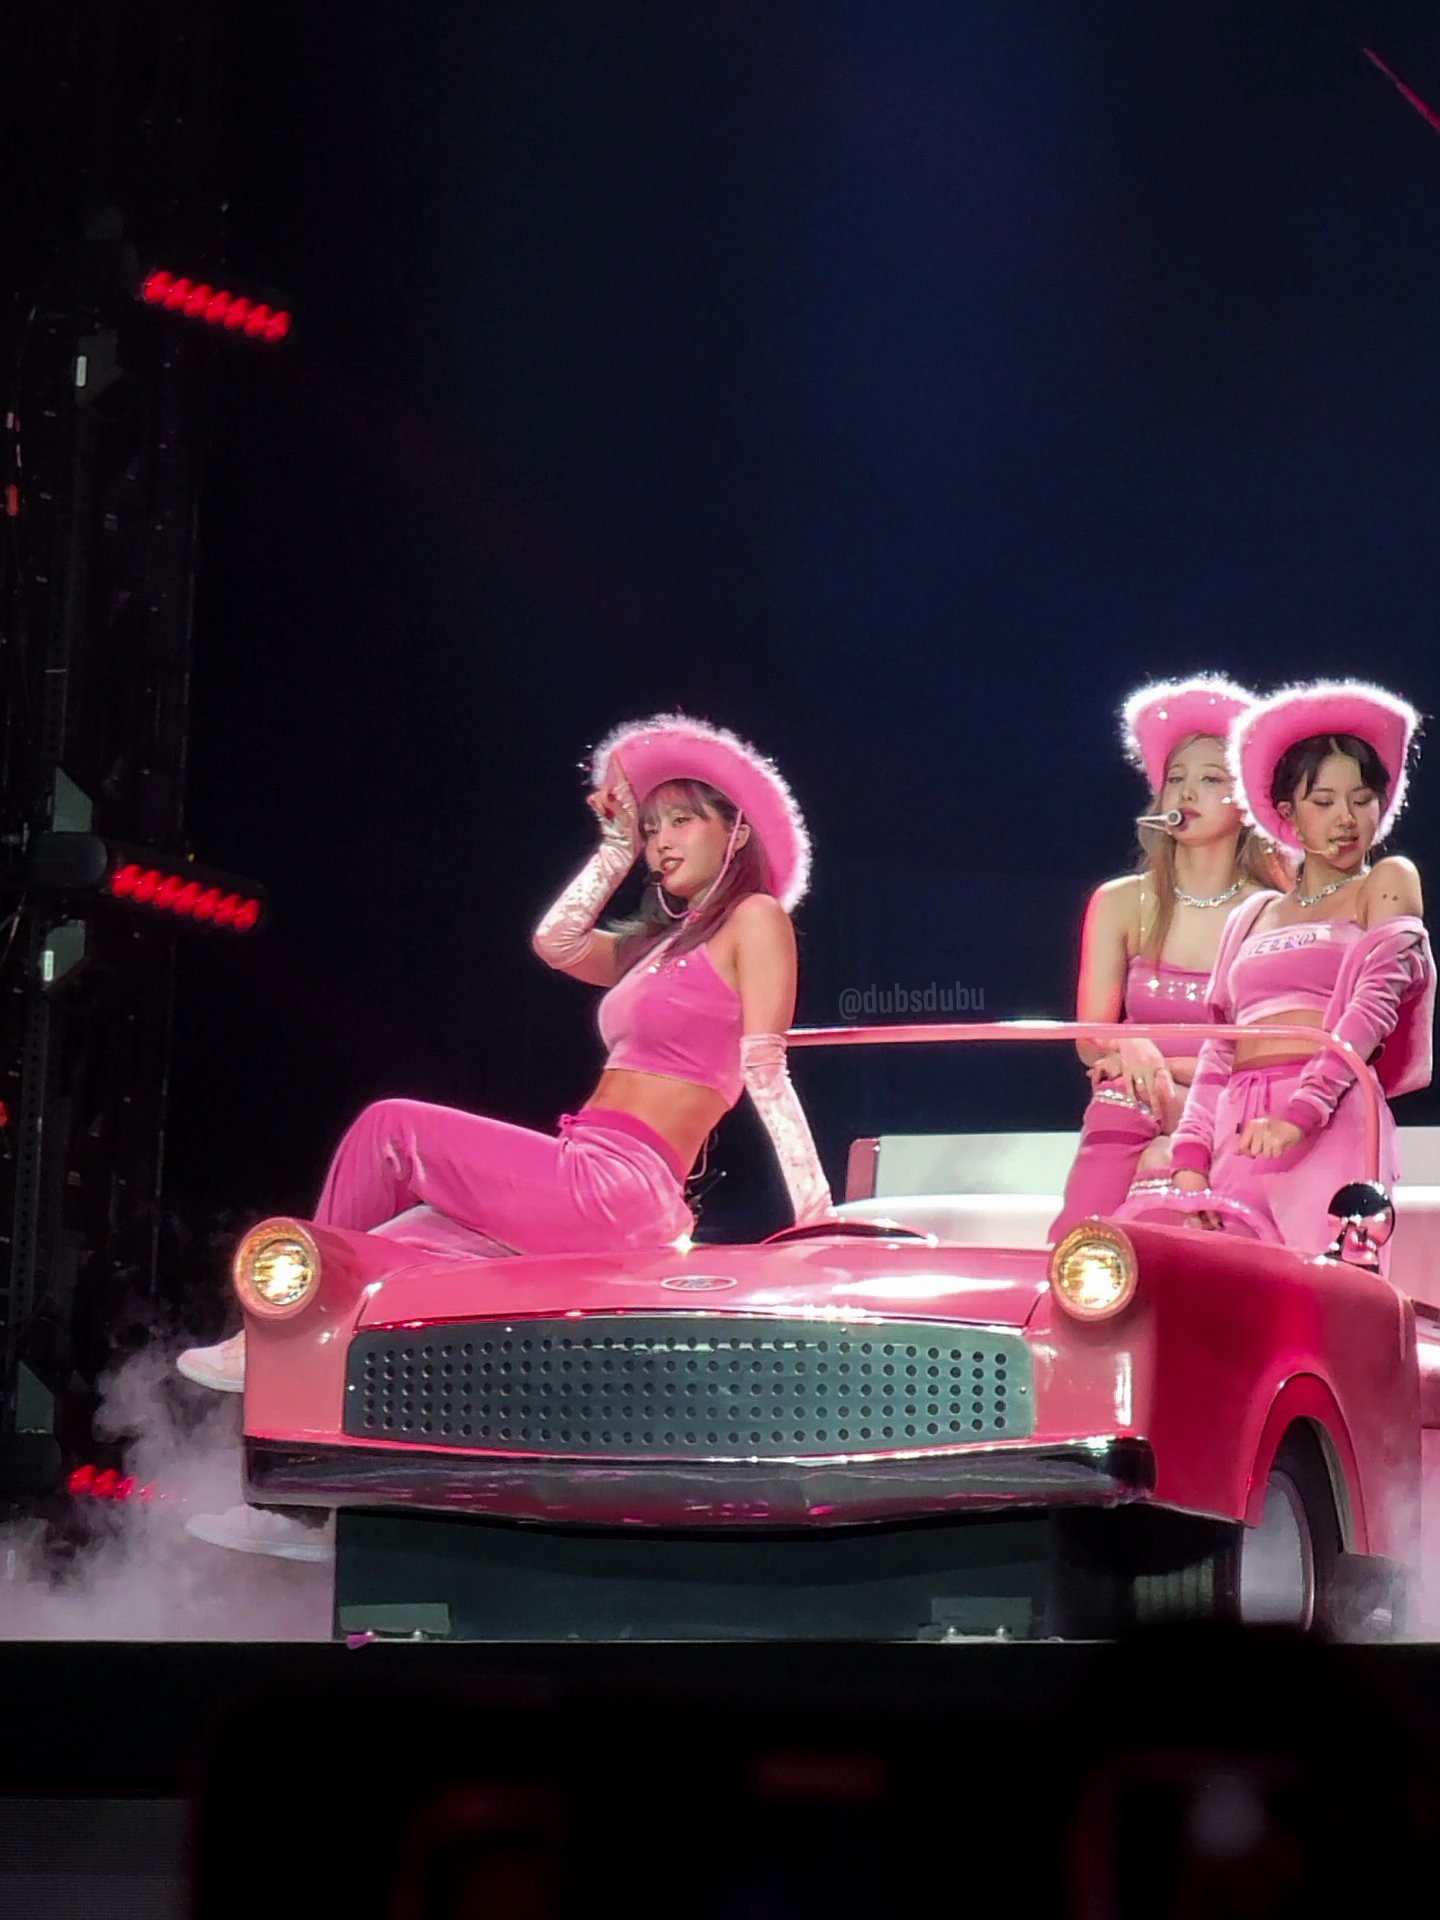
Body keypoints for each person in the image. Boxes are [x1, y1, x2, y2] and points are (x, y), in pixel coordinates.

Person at [177, 713, 833, 1558]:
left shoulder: (756, 919)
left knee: (390, 1129)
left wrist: (818, 1218)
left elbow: (766, 1069)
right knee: (385, 1260)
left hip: (620, 1187)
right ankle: (312, 1508)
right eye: (652, 827)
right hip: (581, 1168)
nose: (661, 843)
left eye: (681, 821)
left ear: (735, 828)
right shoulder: (660, 944)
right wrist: (613, 848)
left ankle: (276, 1340)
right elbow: (556, 943)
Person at [1119, 681, 1434, 1264]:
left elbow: (1371, 1009)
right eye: (1324, 802)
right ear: (1288, 814)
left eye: (1362, 800)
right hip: (1240, 1128)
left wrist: (1300, 1115)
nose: (1346, 819)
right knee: (1230, 1298)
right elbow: (1221, 1044)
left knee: (1330, 1299)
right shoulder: (1252, 913)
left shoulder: (1386, 881)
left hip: (1332, 1118)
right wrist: (1190, 1157)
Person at [1049, 677, 1287, 1240]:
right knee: (1121, 1101)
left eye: (1211, 779)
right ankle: (1075, 1250)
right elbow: (1090, 1037)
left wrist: (1170, 1070)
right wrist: (1129, 1042)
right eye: (1176, 779)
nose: (1187, 793)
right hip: (1138, 1093)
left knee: (1157, 1134)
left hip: (1229, 1100)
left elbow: (1266, 1051)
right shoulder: (1120, 901)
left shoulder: (1271, 913)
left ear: (1246, 802)